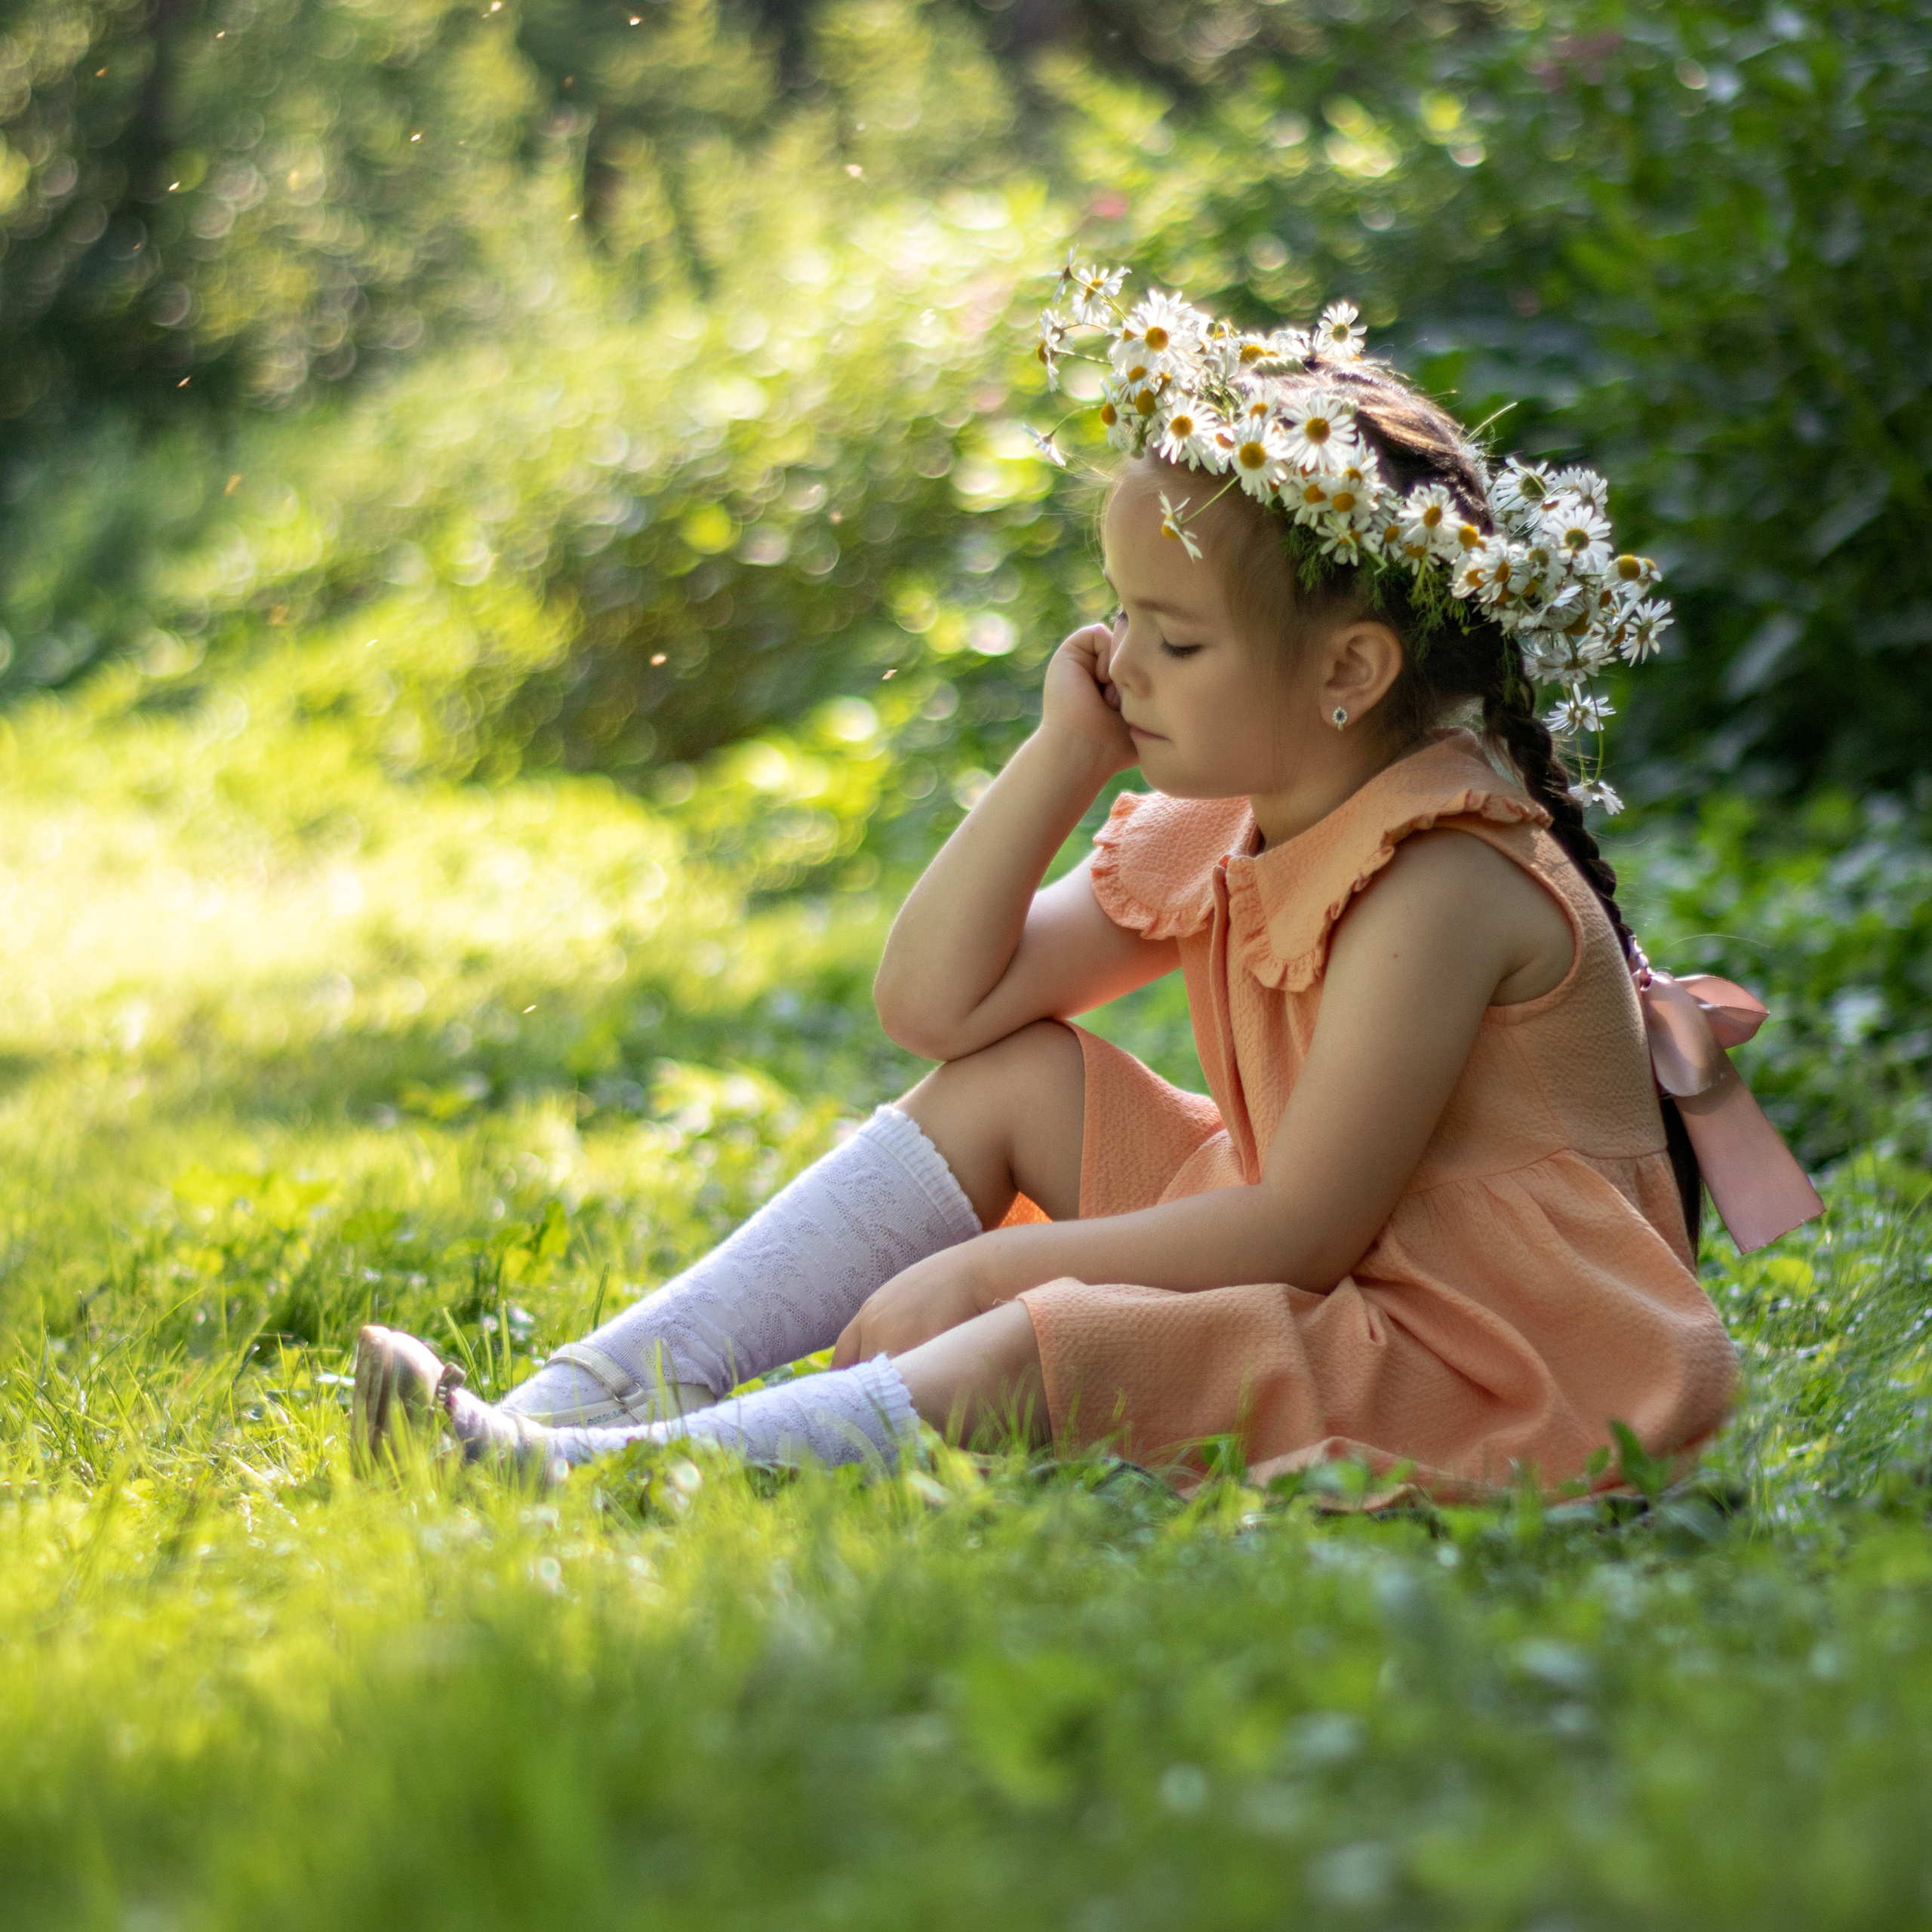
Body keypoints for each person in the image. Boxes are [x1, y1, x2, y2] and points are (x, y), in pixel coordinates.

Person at [354, 275, 1814, 1498]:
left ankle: (564, 1482)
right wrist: (1063, 759)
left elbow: (1303, 1229)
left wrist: (1002, 1282)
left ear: (1349, 672)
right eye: (1119, 615)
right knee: (1013, 1084)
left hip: (1487, 1356)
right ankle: (574, 1400)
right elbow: (941, 1010)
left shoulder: (1443, 880)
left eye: (1172, 637)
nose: (1122, 660)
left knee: (1037, 1341)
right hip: (1351, 1263)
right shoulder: (1229, 809)